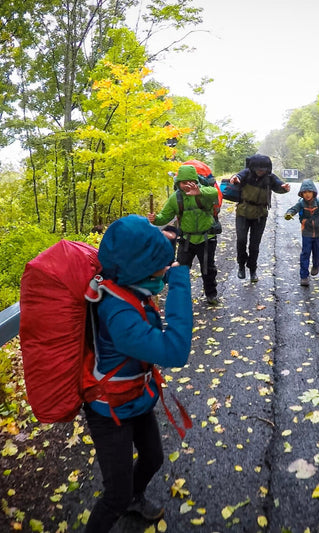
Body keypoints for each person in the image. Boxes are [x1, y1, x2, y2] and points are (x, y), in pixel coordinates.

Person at [84, 214, 193, 532]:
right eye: (160, 266)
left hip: (135, 397)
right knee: (114, 497)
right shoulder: (118, 313)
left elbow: (145, 263)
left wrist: (164, 251)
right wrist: (181, 282)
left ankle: (135, 498)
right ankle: (122, 503)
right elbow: (175, 351)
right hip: (110, 411)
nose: (165, 270)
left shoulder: (127, 284)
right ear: (139, 270)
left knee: (153, 458)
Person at [148, 164, 220, 306]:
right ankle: (180, 297)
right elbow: (165, 216)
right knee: (180, 269)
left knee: (208, 269)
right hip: (186, 239)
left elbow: (214, 193)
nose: (187, 185)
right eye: (183, 182)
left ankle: (211, 295)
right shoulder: (176, 198)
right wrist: (155, 219)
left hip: (207, 239)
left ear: (196, 180)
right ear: (178, 183)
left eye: (190, 181)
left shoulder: (205, 192)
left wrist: (198, 192)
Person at [229, 153, 290, 282]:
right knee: (241, 240)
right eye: (258, 168)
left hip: (260, 214)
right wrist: (235, 179)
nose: (261, 171)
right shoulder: (246, 173)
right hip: (243, 212)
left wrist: (284, 188)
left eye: (263, 169)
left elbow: (279, 185)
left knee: (254, 245)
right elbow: (238, 176)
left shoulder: (270, 178)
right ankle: (241, 265)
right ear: (253, 167)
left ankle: (252, 269)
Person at [284, 179, 319, 286]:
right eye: (305, 192)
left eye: (309, 192)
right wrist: (289, 214)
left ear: (314, 192)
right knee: (305, 253)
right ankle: (304, 276)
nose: (307, 194)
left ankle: (316, 265)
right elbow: (292, 209)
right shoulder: (301, 203)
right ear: (302, 193)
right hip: (306, 233)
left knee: (318, 252)